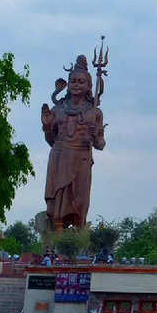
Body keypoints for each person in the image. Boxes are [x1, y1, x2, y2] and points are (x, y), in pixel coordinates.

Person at [41, 55, 106, 232]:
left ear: (89, 86)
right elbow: (50, 140)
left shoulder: (95, 113)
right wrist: (47, 127)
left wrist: (95, 136)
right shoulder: (58, 110)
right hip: (59, 155)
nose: (76, 85)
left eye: (81, 82)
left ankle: (78, 239)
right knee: (58, 203)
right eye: (73, 81)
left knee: (80, 200)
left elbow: (100, 144)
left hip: (81, 157)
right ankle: (58, 239)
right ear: (68, 85)